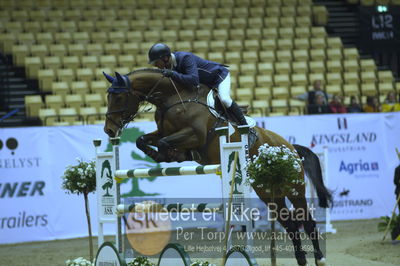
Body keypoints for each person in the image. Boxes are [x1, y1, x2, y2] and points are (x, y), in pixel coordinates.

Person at [147, 43, 247, 125]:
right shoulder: (168, 67)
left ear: (165, 58)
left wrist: (173, 74)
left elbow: (193, 80)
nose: (155, 65)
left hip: (219, 77)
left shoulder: (185, 58)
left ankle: (245, 126)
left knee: (225, 99)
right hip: (204, 83)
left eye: (156, 62)